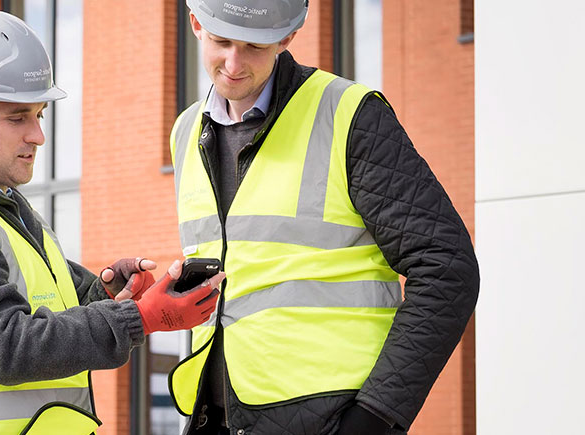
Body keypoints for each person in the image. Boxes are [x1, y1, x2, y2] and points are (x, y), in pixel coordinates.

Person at [0, 9, 225, 434]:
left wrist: (111, 293)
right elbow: (7, 347)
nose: (38, 135)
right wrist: (140, 318)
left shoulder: (4, 209)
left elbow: (58, 312)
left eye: (38, 115)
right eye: (18, 117)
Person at [166, 1, 481, 433]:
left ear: (286, 37)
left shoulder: (350, 115)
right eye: (222, 42)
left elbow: (447, 268)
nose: (234, 64)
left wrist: (376, 416)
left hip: (328, 418)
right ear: (197, 25)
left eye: (254, 46)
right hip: (215, 415)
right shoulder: (185, 132)